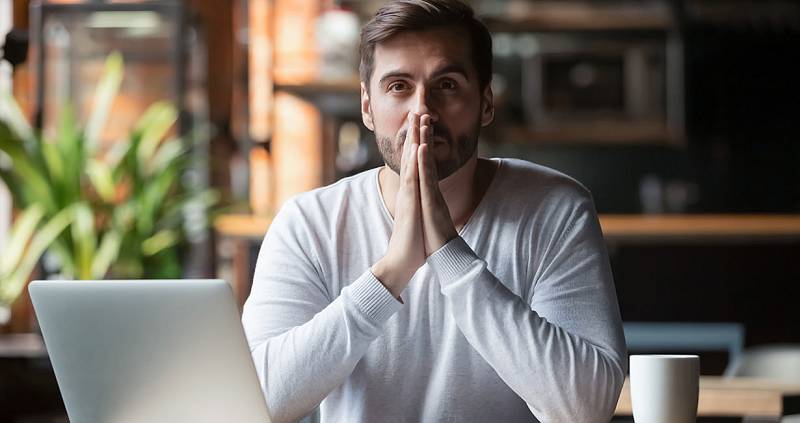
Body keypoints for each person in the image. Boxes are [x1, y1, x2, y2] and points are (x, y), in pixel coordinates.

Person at [242, 1, 627, 422]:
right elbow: (257, 402)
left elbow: (587, 408)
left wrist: (449, 253)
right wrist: (391, 272)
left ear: (485, 103)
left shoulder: (554, 209)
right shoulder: (308, 224)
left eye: (446, 85)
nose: (422, 109)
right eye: (398, 87)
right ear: (368, 108)